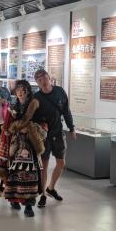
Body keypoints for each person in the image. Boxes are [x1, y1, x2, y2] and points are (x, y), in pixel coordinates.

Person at [0, 79, 45, 217]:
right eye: (18, 90)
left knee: (31, 173)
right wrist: (11, 130)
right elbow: (7, 126)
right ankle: (13, 199)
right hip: (15, 143)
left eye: (23, 90)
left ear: (27, 91)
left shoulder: (35, 106)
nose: (20, 93)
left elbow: (43, 124)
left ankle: (29, 205)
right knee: (12, 172)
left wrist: (30, 128)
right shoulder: (13, 106)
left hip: (31, 144)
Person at [33, 68, 75, 208]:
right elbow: (32, 118)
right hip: (44, 136)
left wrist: (71, 128)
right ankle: (43, 195)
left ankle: (51, 188)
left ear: (49, 77)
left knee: (61, 163)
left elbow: (66, 111)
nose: (43, 82)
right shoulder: (36, 97)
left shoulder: (59, 91)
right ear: (37, 83)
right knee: (43, 167)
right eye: (39, 80)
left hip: (58, 133)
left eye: (44, 78)